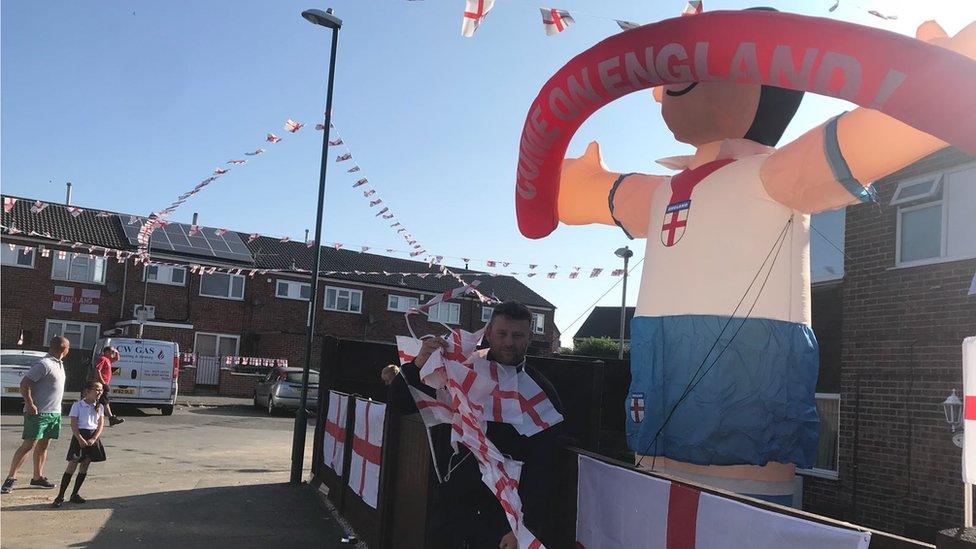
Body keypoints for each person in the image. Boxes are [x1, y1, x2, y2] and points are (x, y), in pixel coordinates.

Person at [389, 301, 563, 549]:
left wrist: (522, 528)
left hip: (502, 517)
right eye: (502, 334)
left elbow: (545, 468)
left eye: (518, 335)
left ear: (529, 338)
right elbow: (400, 404)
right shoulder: (460, 369)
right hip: (452, 505)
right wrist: (418, 365)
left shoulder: (539, 391)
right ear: (489, 332)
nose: (509, 342)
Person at [1, 336, 69, 494]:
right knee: (29, 445)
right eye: (68, 348)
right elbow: (24, 383)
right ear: (64, 349)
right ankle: (11, 478)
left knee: (43, 445)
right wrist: (30, 404)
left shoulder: (59, 364)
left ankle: (37, 477)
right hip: (38, 413)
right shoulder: (44, 364)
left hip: (53, 413)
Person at [52, 380, 108, 507]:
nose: (99, 392)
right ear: (87, 391)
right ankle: (60, 496)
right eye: (97, 389)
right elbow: (74, 424)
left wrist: (94, 439)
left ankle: (75, 494)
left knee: (85, 464)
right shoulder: (77, 405)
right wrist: (79, 438)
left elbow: (100, 425)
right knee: (72, 465)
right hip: (80, 436)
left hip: (92, 436)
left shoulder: (100, 406)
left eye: (101, 390)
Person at [92, 346, 124, 426]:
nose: (113, 354)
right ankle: (111, 418)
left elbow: (117, 359)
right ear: (107, 352)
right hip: (101, 384)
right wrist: (103, 383)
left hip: (104, 383)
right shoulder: (103, 359)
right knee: (105, 401)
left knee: (100, 402)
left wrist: (116, 351)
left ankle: (96, 417)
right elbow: (97, 370)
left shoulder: (108, 360)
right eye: (112, 352)